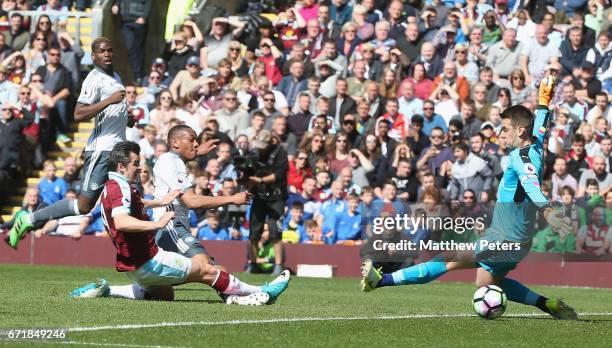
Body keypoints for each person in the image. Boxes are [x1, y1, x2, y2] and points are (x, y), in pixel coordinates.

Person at [361, 74, 578, 320]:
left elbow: (531, 185)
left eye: (505, 129)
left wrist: (548, 210)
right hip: (518, 242)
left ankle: (380, 280)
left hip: (504, 239)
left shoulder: (522, 157)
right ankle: (546, 304)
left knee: (446, 259)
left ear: (519, 131)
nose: (501, 134)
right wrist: (543, 102)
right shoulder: (536, 144)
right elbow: (540, 124)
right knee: (484, 283)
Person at [69, 141, 289, 305]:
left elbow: (136, 204)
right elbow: (122, 221)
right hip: (149, 260)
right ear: (121, 166)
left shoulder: (112, 186)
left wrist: (161, 202)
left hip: (133, 267)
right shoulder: (122, 187)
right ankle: (261, 291)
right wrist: (157, 224)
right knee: (206, 269)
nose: (140, 168)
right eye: (136, 164)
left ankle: (106, 290)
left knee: (164, 294)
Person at [7, 37, 130, 248]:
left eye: (110, 50)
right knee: (84, 204)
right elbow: (79, 113)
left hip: (118, 149)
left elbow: (114, 110)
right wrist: (109, 100)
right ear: (93, 56)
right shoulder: (94, 78)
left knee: (124, 195)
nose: (107, 54)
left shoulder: (116, 77)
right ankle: (28, 219)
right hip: (101, 149)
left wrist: (129, 118)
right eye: (101, 51)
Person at [246, 130, 289, 275]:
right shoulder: (254, 152)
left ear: (272, 142)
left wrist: (261, 180)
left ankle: (278, 265)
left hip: (276, 197)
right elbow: (248, 169)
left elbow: (280, 174)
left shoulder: (280, 153)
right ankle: (252, 263)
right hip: (258, 196)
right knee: (254, 230)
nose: (261, 148)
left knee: (275, 231)